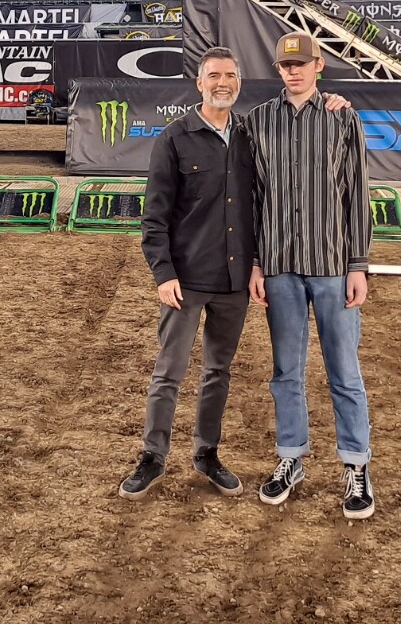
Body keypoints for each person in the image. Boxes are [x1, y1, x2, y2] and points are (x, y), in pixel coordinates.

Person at [242, 32, 376, 520]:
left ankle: (356, 465)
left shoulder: (343, 117)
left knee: (344, 370)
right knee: (286, 372)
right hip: (278, 266)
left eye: (302, 64)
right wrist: (256, 262)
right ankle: (291, 458)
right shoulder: (258, 121)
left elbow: (357, 194)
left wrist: (358, 264)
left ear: (319, 66)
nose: (293, 71)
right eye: (285, 65)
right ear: (278, 69)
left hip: (333, 266)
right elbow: (252, 198)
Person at [120, 47, 256, 501]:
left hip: (234, 282)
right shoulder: (175, 138)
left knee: (219, 371)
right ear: (199, 83)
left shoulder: (250, 136)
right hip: (185, 280)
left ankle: (207, 453)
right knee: (169, 372)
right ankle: (152, 457)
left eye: (231, 75)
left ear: (239, 81)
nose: (223, 83)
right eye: (214, 75)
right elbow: (154, 216)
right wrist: (163, 273)